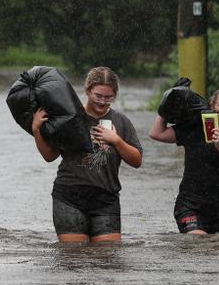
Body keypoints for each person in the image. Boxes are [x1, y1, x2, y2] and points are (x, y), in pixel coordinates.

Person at [32, 67, 143, 244]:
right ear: (87, 91)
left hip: (106, 197)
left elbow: (137, 161)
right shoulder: (69, 117)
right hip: (69, 195)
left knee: (107, 256)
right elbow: (50, 156)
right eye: (98, 95)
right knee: (74, 257)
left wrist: (116, 140)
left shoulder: (122, 122)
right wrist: (37, 130)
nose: (102, 102)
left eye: (108, 97)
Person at [149, 86, 219, 234]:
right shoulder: (193, 128)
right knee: (199, 242)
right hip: (190, 204)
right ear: (212, 106)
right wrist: (168, 102)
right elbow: (156, 133)